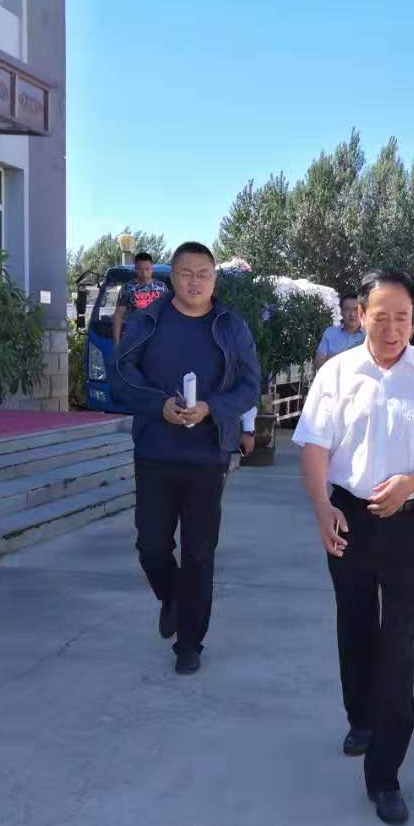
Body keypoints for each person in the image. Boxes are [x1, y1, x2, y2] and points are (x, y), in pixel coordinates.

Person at [294, 268, 414, 826]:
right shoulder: (338, 373)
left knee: (399, 643)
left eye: (403, 317)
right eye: (381, 317)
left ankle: (386, 773)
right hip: (348, 518)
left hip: (411, 523)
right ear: (362, 316)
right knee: (354, 626)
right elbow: (315, 447)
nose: (393, 328)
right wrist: (322, 508)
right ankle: (361, 718)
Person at [111, 241, 260, 675]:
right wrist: (157, 405)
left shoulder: (230, 326)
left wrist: (213, 407)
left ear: (214, 279)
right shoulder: (148, 320)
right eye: (186, 273)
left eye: (204, 274)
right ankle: (172, 596)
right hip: (155, 450)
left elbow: (251, 384)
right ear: (171, 278)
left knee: (199, 551)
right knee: (151, 546)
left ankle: (190, 642)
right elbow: (121, 374)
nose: (195, 282)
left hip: (208, 455)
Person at [113, 251, 168, 347]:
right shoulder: (127, 288)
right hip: (133, 340)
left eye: (147, 269)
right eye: (140, 269)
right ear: (135, 269)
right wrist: (116, 343)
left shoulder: (162, 287)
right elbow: (118, 315)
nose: (144, 273)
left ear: (152, 268)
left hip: (157, 340)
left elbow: (168, 314)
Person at [313, 292, 365, 371]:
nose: (352, 314)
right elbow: (319, 363)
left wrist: (333, 359)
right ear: (341, 311)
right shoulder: (330, 333)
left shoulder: (369, 335)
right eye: (347, 309)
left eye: (356, 309)